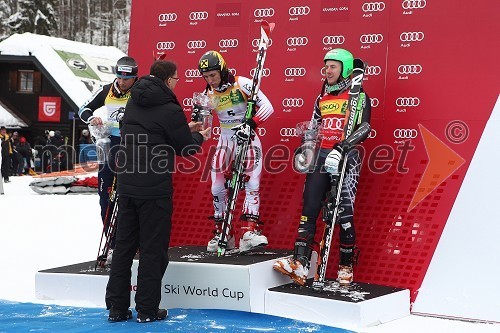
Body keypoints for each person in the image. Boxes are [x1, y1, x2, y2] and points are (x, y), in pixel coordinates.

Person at [105, 60, 210, 323]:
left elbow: (154, 136)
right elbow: (185, 149)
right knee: (153, 251)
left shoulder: (133, 101)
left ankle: (117, 308)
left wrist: (185, 130)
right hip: (154, 190)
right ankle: (147, 310)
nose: (177, 83)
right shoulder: (169, 108)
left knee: (124, 249)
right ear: (167, 80)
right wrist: (199, 136)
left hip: (128, 186)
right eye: (176, 79)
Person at [273, 49, 372, 286]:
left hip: (346, 156)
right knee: (310, 206)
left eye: (333, 67)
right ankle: (300, 263)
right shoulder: (322, 98)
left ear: (346, 70)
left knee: (343, 213)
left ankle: (346, 266)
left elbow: (365, 127)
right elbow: (314, 126)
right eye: (326, 66)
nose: (328, 71)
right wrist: (307, 145)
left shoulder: (358, 96)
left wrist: (343, 147)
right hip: (322, 154)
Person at [196, 50, 274, 253]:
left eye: (213, 75)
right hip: (225, 139)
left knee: (253, 181)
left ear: (222, 70)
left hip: (248, 138)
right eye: (206, 77)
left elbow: (268, 106)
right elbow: (203, 122)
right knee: (216, 187)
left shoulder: (242, 83)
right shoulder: (208, 94)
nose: (210, 80)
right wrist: (198, 117)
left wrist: (251, 123)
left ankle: (248, 232)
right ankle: (223, 232)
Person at [78, 56, 138, 264]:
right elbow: (83, 108)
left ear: (134, 78)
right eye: (119, 77)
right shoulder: (106, 89)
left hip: (133, 148)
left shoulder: (140, 90)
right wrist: (91, 119)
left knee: (129, 200)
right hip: (111, 146)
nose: (122, 82)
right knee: (106, 198)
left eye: (126, 79)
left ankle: (129, 244)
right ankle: (112, 244)